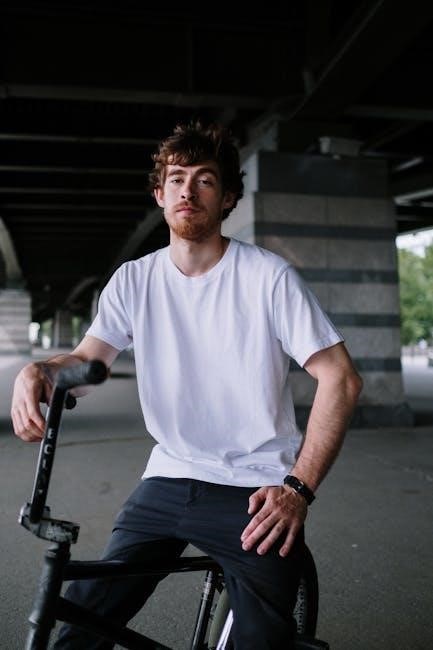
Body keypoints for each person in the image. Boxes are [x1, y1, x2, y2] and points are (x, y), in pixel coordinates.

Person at [11, 120, 363, 649]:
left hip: (256, 487)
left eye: (205, 179)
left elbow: (341, 378)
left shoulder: (267, 277)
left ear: (228, 198)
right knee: (81, 619)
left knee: (261, 640)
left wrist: (298, 489)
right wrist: (38, 372)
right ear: (160, 194)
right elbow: (86, 363)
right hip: (170, 475)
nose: (188, 191)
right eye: (176, 179)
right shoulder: (134, 280)